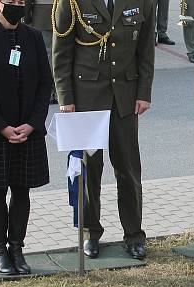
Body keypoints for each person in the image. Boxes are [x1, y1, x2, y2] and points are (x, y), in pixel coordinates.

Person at [52, 0, 156, 260]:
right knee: (89, 169)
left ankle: (134, 235)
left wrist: (144, 92)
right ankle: (90, 233)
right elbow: (61, 53)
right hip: (86, 98)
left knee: (129, 170)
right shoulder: (71, 2)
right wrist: (65, 97)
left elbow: (145, 50)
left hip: (125, 97)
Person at [0, 0, 53, 275]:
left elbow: (44, 83)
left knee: (22, 190)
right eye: (10, 1)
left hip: (27, 129)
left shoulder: (34, 36)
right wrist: (1, 126)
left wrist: (33, 123)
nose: (16, 6)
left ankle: (17, 247)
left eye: (20, 2)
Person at [24, 0, 55, 101]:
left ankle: (49, 91)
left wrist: (26, 16)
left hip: (42, 15)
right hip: (66, 14)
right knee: (61, 54)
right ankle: (58, 91)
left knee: (47, 54)